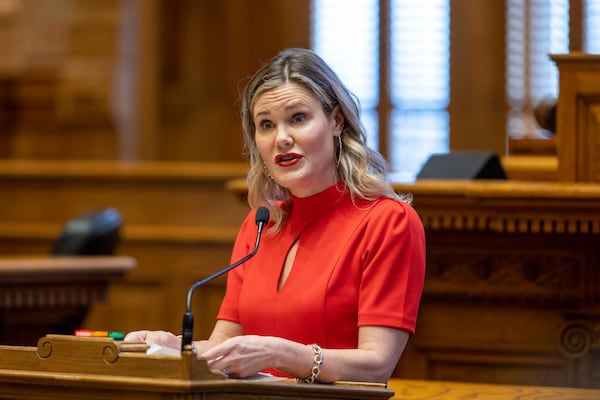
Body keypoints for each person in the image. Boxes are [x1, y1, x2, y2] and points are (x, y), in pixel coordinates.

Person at [125, 47, 426, 384]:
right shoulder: (262, 224)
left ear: (336, 121)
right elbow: (224, 346)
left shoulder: (388, 221)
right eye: (266, 124)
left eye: (298, 118)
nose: (281, 138)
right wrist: (176, 347)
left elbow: (377, 363)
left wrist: (279, 354)